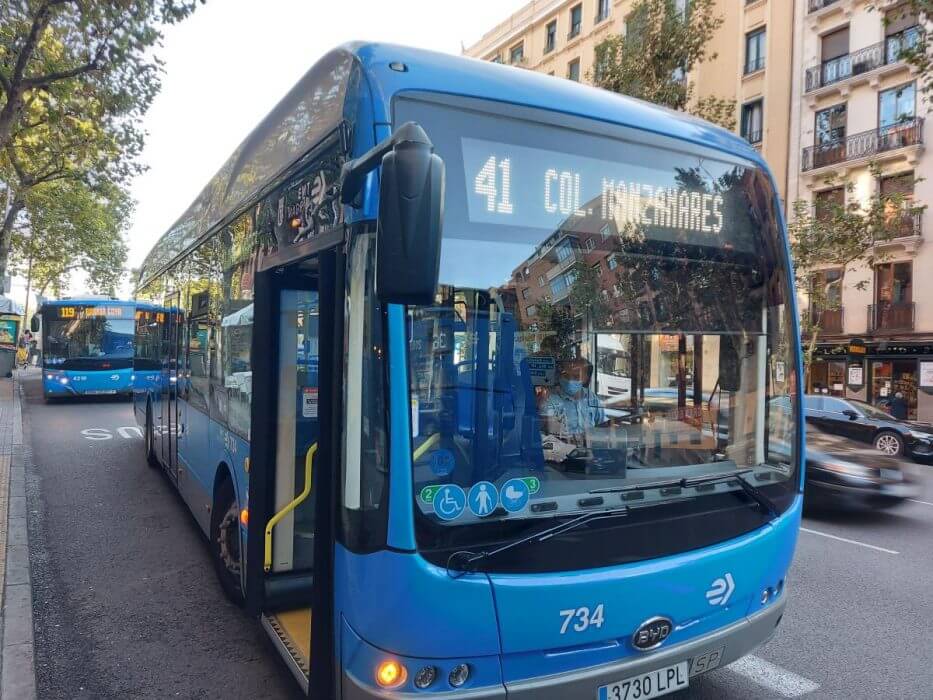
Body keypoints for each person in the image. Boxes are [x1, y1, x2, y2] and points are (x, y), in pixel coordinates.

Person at [538, 357, 606, 460]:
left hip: (590, 459)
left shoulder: (592, 398)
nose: (570, 380)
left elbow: (602, 428)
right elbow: (544, 435)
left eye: (576, 376)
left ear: (585, 378)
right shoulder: (550, 398)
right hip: (561, 460)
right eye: (566, 375)